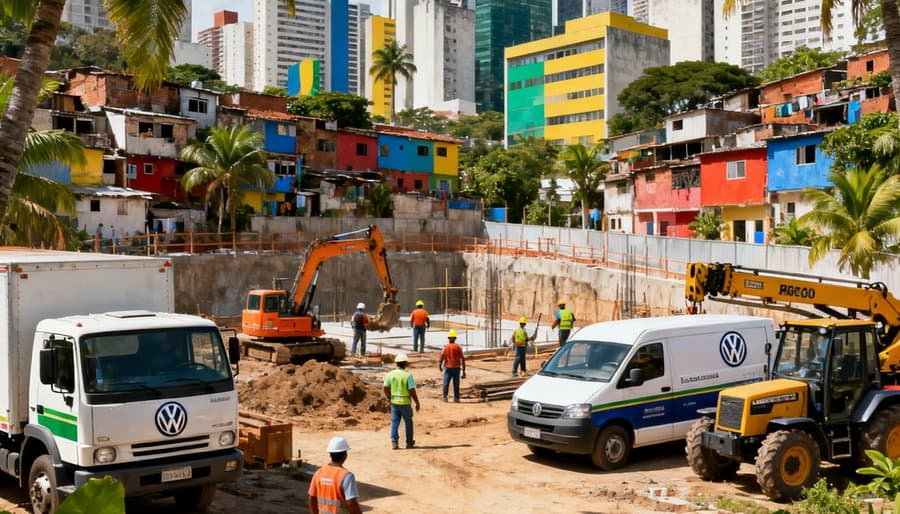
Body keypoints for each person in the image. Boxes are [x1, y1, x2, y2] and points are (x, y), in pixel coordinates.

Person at [307, 436, 362, 514]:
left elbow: (311, 497)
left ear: (330, 454)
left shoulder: (319, 473)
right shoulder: (347, 476)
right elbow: (351, 502)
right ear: (345, 455)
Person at [383, 353, 420, 449]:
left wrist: (389, 398)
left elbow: (385, 388)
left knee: (395, 421)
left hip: (394, 402)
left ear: (396, 363)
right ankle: (409, 442)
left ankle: (394, 442)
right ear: (405, 363)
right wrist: (417, 402)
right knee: (408, 422)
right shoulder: (408, 376)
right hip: (405, 402)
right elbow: (412, 390)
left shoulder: (390, 374)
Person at [439, 329, 466, 402]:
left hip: (448, 368)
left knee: (446, 383)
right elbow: (463, 359)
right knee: (456, 384)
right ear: (455, 338)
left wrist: (440, 365)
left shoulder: (446, 347)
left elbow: (442, 356)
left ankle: (445, 397)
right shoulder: (458, 347)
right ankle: (456, 398)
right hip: (456, 368)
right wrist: (464, 371)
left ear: (448, 338)